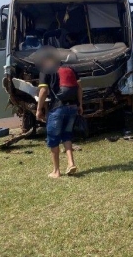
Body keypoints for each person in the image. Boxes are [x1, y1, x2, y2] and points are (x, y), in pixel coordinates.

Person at [36, 50, 83, 178]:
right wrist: (80, 105)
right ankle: (71, 163)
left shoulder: (46, 70)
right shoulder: (71, 69)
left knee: (53, 138)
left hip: (57, 108)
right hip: (73, 107)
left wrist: (39, 109)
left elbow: (43, 91)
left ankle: (56, 171)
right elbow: (79, 88)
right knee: (67, 135)